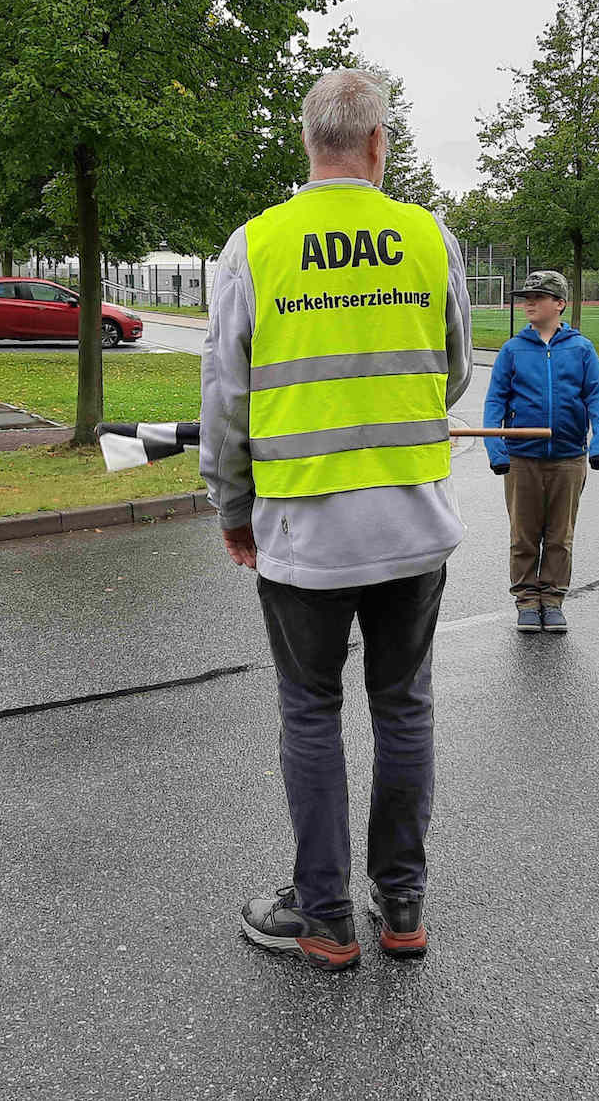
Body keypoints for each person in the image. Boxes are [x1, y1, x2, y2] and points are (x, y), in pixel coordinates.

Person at [200, 68, 472, 969]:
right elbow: (454, 369)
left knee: (310, 712)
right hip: (409, 524)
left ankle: (323, 915)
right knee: (404, 707)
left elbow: (226, 403)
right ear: (379, 145)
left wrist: (234, 510)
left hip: (304, 533)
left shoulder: (256, 245)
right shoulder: (429, 236)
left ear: (308, 141)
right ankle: (403, 905)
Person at [482, 269, 599, 632]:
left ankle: (552, 599)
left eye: (537, 297)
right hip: (522, 459)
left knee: (560, 535)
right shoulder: (512, 350)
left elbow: (598, 399)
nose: (529, 303)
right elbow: (494, 402)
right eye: (526, 297)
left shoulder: (581, 349)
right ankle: (526, 600)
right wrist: (497, 451)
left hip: (568, 458)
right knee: (524, 535)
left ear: (559, 304)